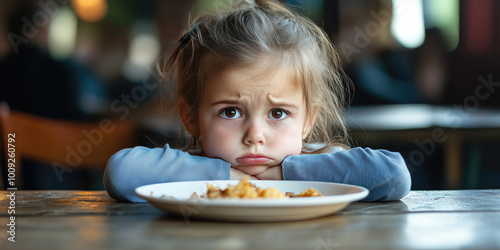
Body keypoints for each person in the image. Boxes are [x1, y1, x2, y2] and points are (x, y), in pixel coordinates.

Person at [103, 0, 411, 202]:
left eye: (277, 112)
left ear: (308, 120)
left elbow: (394, 175)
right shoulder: (199, 166)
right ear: (191, 117)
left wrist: (279, 176)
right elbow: (122, 173)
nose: (254, 136)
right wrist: (229, 179)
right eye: (231, 111)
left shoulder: (318, 162)